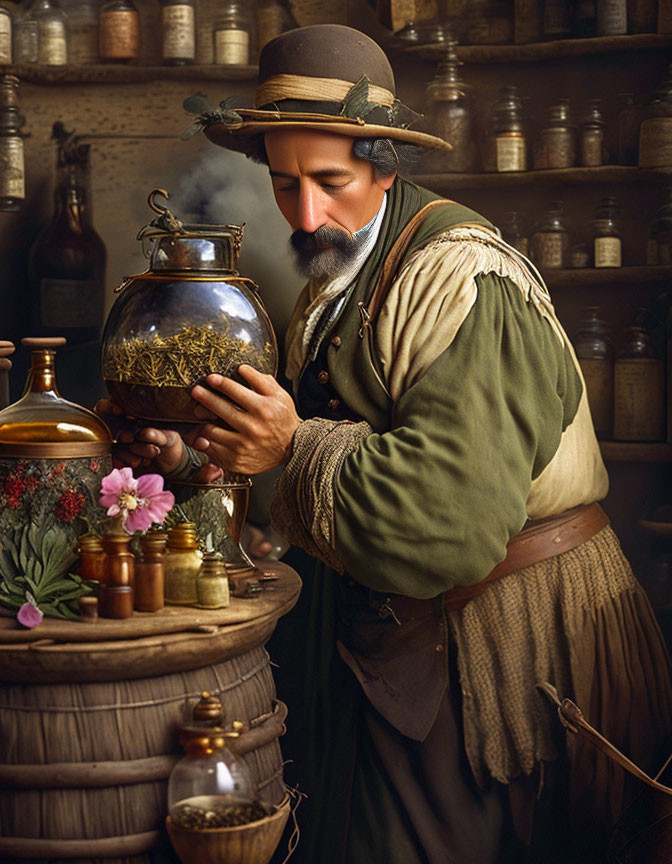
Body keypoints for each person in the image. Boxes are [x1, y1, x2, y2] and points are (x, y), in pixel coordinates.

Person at [101, 25, 672, 864]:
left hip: (505, 647)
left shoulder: (461, 279)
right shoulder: (340, 277)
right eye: (285, 182)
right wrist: (199, 459)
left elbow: (449, 521)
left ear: (386, 164)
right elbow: (298, 461)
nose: (304, 212)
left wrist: (295, 448)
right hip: (400, 633)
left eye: (330, 181)